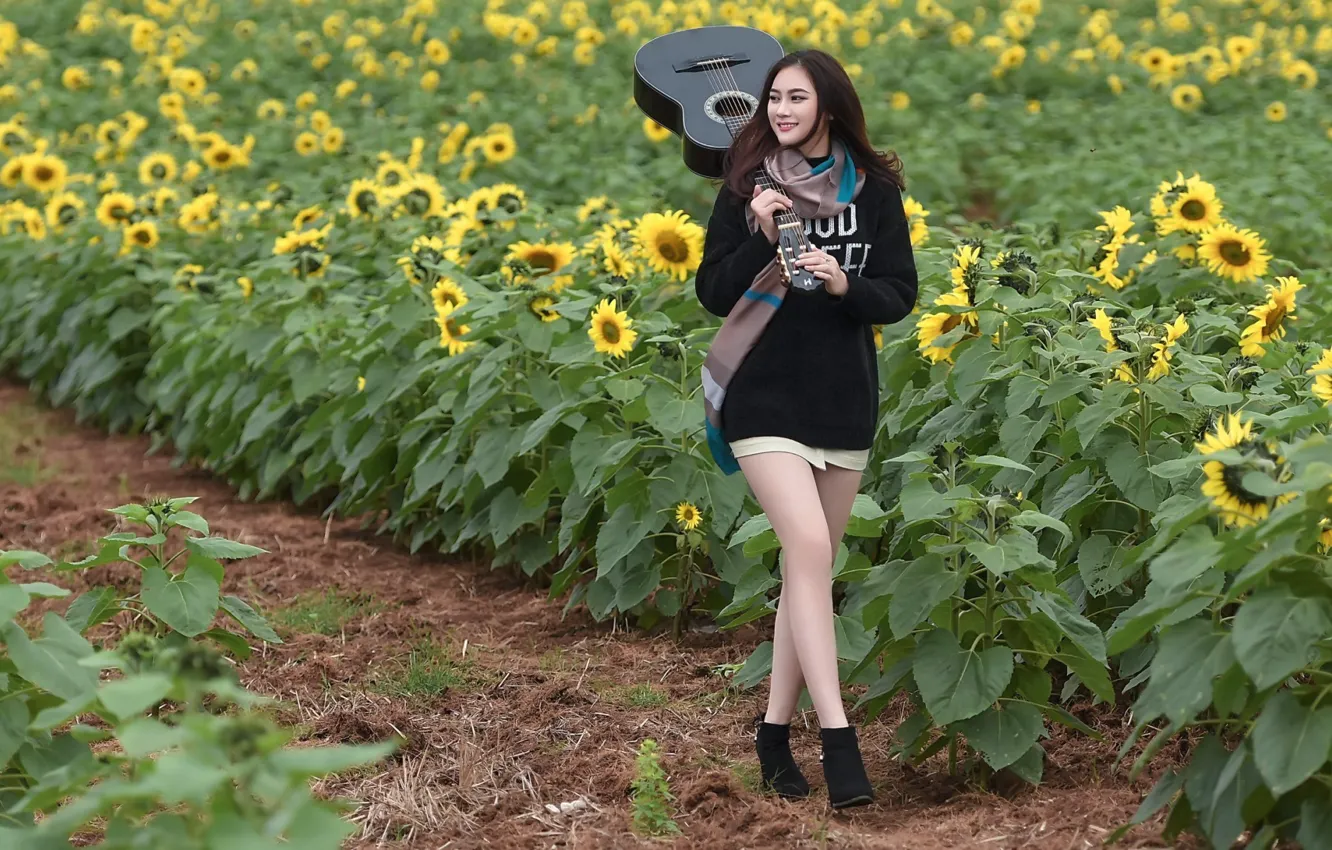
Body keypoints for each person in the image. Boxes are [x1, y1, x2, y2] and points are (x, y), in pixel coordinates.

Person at [693, 49, 918, 809]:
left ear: (829, 106)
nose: (781, 110)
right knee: (810, 548)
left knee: (808, 572)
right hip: (762, 394)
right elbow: (712, 293)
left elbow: (899, 294)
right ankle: (838, 739)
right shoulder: (747, 187)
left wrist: (841, 280)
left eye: (796, 98)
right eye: (773, 98)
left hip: (842, 399)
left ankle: (771, 734)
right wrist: (759, 237)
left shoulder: (876, 191)